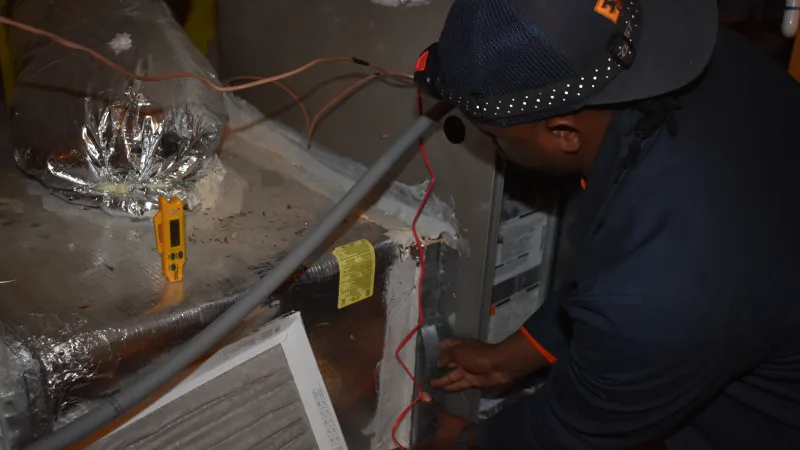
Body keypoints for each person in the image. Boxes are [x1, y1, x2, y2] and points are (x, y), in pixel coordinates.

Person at [411, 0, 800, 449]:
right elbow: (619, 261)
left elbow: (573, 431)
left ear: (563, 134)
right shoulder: (693, 63)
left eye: (496, 137)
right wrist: (511, 359)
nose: (493, 146)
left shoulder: (659, 288)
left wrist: (465, 441)